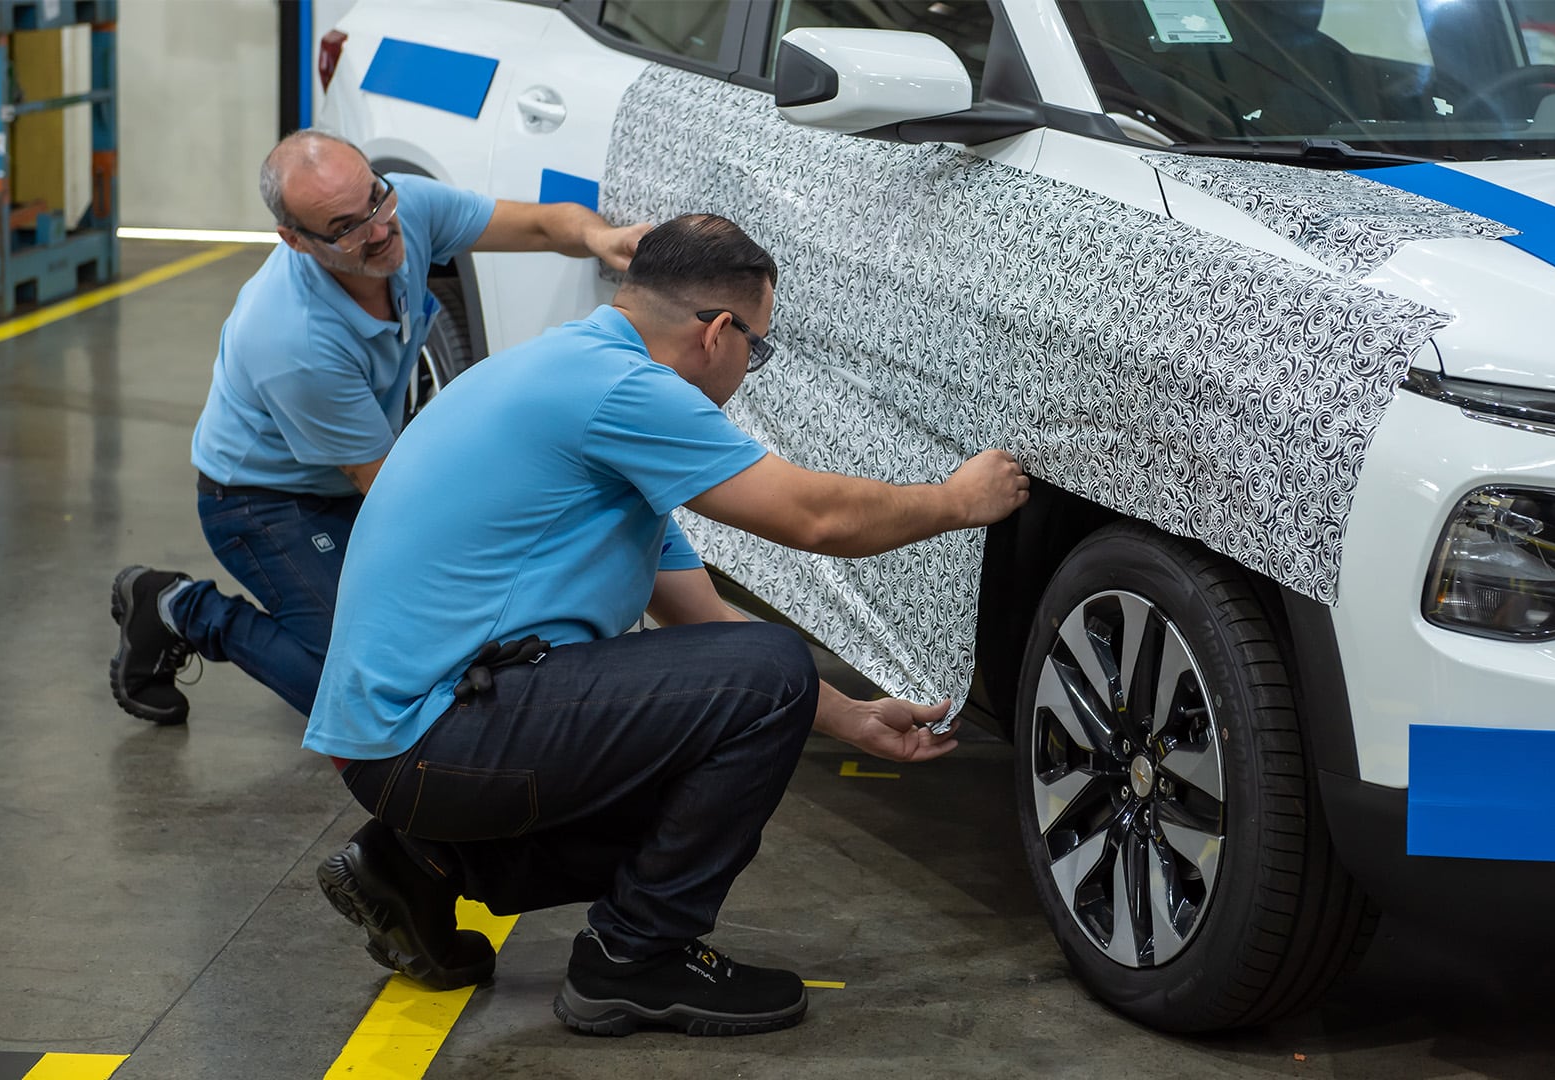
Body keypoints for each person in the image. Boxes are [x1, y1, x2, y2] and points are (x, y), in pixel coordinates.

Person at [303, 214, 1029, 1037]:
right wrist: (958, 502)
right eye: (757, 349)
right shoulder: (622, 392)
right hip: (430, 741)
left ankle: (423, 865)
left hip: (406, 741)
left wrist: (854, 718)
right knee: (766, 673)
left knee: (747, 694)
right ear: (719, 332)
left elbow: (702, 616)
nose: (750, 368)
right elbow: (816, 517)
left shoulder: (572, 370)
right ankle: (632, 960)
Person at [107, 129, 649, 725]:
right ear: (295, 240)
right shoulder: (294, 340)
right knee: (365, 696)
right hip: (264, 502)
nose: (381, 228)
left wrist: (605, 238)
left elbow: (543, 226)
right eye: (346, 226)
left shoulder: (400, 207)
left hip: (352, 476)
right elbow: (392, 495)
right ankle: (177, 606)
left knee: (423, 649)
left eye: (375, 198)